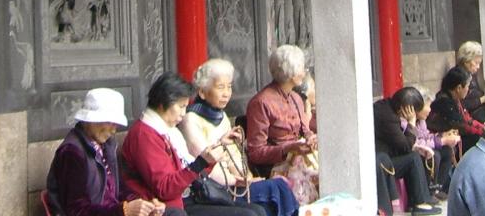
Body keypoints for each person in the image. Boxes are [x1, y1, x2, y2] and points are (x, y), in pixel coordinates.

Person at [120, 72, 264, 216]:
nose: (183, 113)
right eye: (181, 106)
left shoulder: (167, 130)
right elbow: (165, 189)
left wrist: (218, 148)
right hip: (171, 206)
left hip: (191, 195)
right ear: (163, 103)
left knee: (257, 210)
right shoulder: (144, 135)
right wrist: (200, 163)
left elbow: (191, 168)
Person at [179, 59, 299, 216]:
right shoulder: (191, 120)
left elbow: (234, 155)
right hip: (214, 188)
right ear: (202, 92)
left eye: (229, 87)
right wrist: (236, 181)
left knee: (278, 187)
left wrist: (246, 177)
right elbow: (205, 163)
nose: (226, 93)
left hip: (235, 183)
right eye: (220, 87)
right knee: (275, 189)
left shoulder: (221, 117)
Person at [46, 88, 167, 216]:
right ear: (91, 120)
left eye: (116, 124)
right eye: (109, 122)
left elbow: (119, 189)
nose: (113, 130)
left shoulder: (106, 146)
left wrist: (143, 204)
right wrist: (123, 211)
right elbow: (77, 210)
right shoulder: (72, 153)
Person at [244, 45, 318, 203]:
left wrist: (311, 139)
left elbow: (305, 131)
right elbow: (255, 152)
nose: (304, 72)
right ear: (290, 73)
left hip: (300, 160)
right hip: (277, 166)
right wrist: (288, 148)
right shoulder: (261, 103)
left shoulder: (296, 98)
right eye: (301, 68)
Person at [371, 87, 439, 216]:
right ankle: (419, 203)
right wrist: (411, 123)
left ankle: (422, 199)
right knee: (413, 158)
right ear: (407, 108)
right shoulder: (388, 118)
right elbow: (406, 146)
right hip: (381, 163)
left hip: (384, 156)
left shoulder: (385, 106)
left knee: (415, 155)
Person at [413, 84, 461, 196]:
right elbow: (417, 143)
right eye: (428, 106)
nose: (430, 110)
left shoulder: (421, 121)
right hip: (416, 152)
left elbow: (426, 136)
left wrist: (442, 136)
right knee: (436, 155)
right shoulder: (408, 122)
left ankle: (438, 187)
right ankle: (430, 191)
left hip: (423, 149)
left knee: (447, 151)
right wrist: (442, 141)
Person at [429, 66, 485, 153]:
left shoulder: (454, 99)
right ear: (459, 88)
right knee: (478, 139)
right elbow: (463, 126)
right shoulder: (445, 103)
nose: (468, 90)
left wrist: (484, 128)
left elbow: (468, 120)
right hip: (441, 143)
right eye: (467, 86)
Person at [453, 41, 485, 123]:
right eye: (476, 63)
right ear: (466, 61)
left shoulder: (470, 74)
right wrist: (482, 99)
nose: (478, 67)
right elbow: (461, 104)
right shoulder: (458, 77)